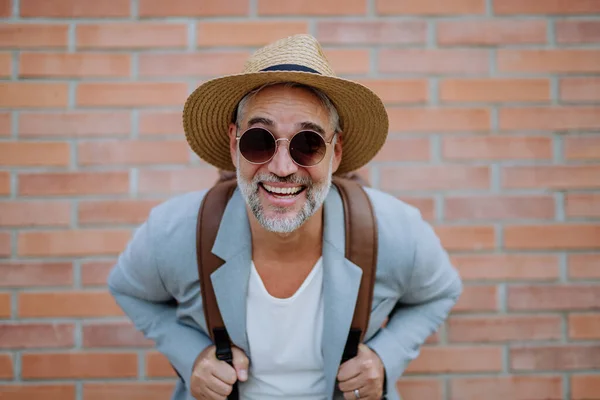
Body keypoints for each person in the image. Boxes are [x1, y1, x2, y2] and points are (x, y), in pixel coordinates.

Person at [108, 34, 463, 400]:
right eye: (259, 140)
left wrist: (385, 359)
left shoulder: (393, 230)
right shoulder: (177, 231)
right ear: (234, 144)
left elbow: (440, 293)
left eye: (307, 143)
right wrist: (190, 357)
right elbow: (127, 288)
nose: (281, 167)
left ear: (335, 152)